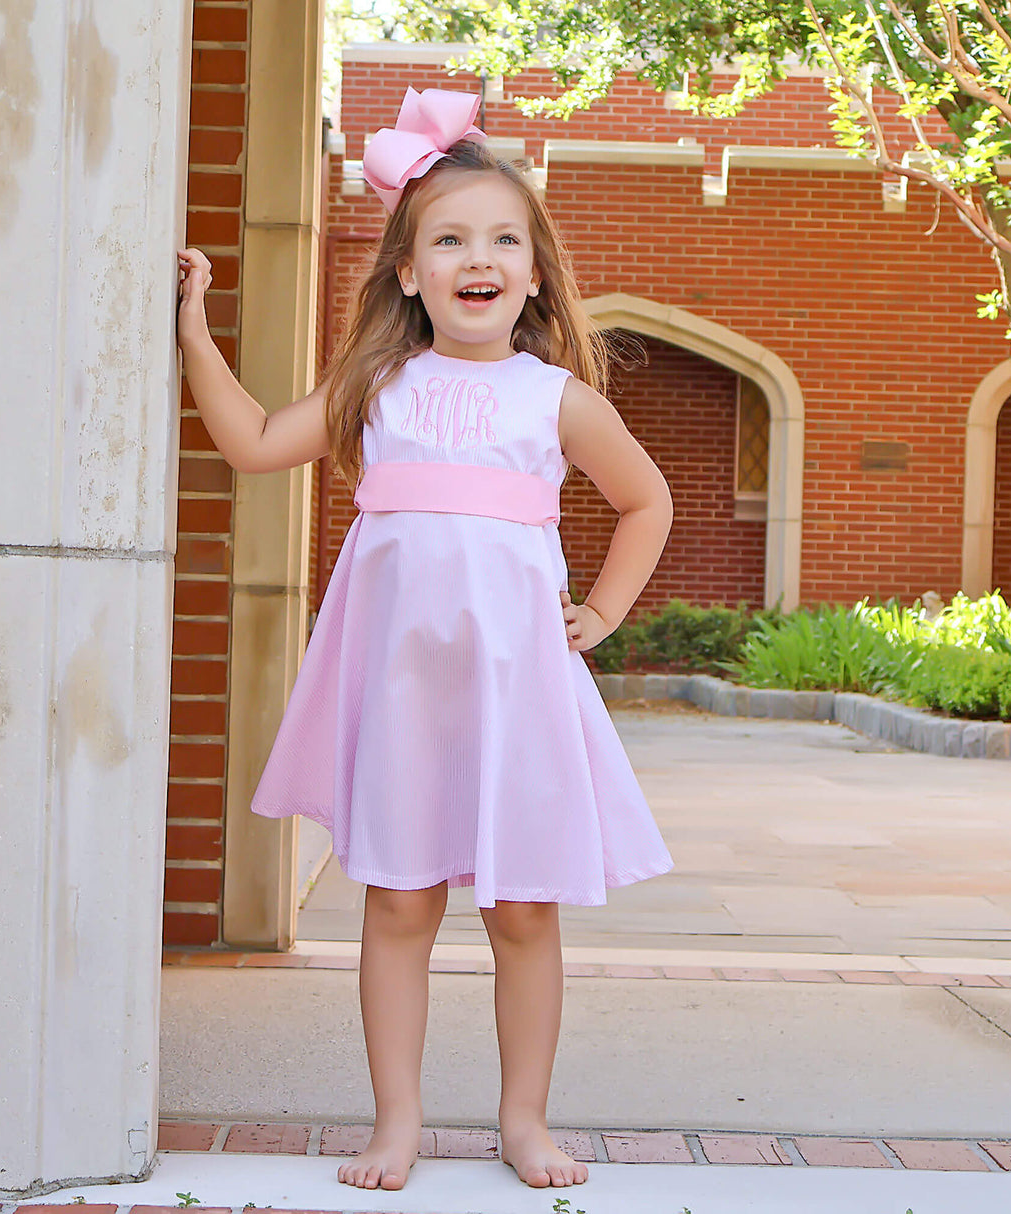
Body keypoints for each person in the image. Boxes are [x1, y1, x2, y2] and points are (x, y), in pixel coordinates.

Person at [176, 87, 674, 1194]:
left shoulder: (556, 399)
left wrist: (596, 613)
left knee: (521, 907)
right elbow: (256, 442)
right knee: (398, 903)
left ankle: (522, 1120)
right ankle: (393, 1123)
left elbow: (647, 501)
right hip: (403, 694)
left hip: (514, 691)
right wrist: (194, 329)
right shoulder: (377, 385)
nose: (475, 257)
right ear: (407, 270)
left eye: (501, 239)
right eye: (446, 239)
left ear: (534, 273)